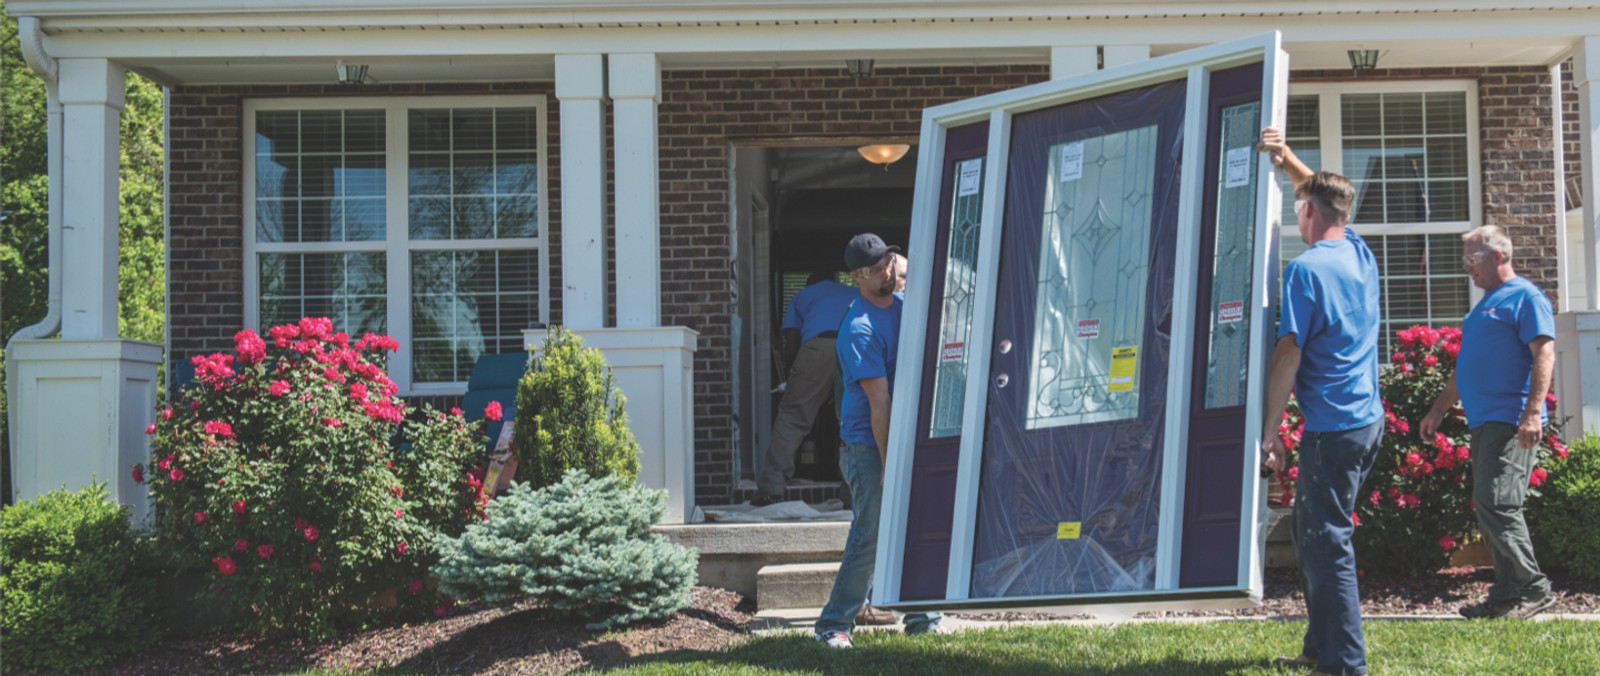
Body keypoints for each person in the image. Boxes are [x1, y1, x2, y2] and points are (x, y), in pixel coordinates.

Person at [1258, 128, 1383, 676]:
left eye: (1299, 208)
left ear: (1306, 213)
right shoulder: (1358, 251)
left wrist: (1269, 432)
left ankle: (1345, 664)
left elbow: (1288, 355)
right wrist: (1285, 158)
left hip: (1332, 429)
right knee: (1315, 536)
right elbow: (1323, 194)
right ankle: (1319, 647)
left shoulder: (1305, 270)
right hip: (1365, 421)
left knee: (1325, 544)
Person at [1418, 225, 1556, 620]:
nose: (1466, 269)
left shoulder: (1525, 297)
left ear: (1499, 256)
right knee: (1488, 504)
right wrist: (1438, 409)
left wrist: (1532, 413)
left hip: (1510, 420)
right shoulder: (1484, 306)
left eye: (1472, 259)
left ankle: (1533, 588)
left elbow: (1544, 353)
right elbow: (1466, 369)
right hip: (1484, 420)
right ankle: (1506, 595)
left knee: (1499, 502)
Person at [815, 233, 945, 648]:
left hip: (904, 438)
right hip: (868, 445)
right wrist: (891, 466)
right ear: (856, 276)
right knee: (870, 532)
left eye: (889, 263)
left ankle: (923, 618)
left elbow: (916, 264)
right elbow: (879, 403)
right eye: (876, 270)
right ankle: (833, 626)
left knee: (917, 524)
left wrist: (897, 260)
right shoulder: (859, 327)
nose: (888, 272)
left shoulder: (904, 302)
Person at [754, 270, 858, 506]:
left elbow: (791, 338)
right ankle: (853, 490)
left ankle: (772, 488)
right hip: (854, 346)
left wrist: (794, 377)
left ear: (810, 283)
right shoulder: (853, 291)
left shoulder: (803, 295)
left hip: (818, 347)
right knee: (853, 417)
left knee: (793, 417)